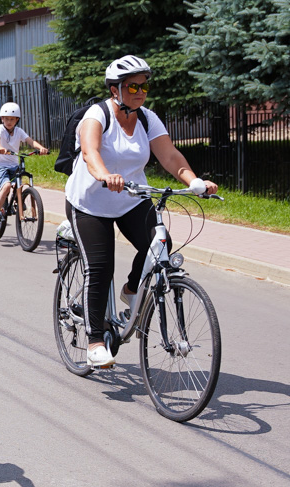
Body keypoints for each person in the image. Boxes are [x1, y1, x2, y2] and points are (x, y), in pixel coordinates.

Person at [65, 55, 217, 367]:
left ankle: (132, 288)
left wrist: (194, 181)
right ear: (115, 90)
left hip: (131, 197)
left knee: (160, 244)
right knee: (100, 266)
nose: (140, 92)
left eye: (144, 86)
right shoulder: (97, 115)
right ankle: (95, 341)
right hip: (90, 202)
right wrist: (104, 174)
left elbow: (170, 155)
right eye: (133, 86)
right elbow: (90, 151)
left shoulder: (147, 118)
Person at [0, 102, 48, 223]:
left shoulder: (19, 131)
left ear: (17, 120)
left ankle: (18, 200)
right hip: (0, 165)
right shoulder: (0, 129)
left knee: (17, 185)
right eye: (6, 119)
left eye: (12, 119)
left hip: (13, 165)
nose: (9, 122)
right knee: (6, 186)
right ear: (2, 119)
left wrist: (41, 148)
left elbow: (30, 141)